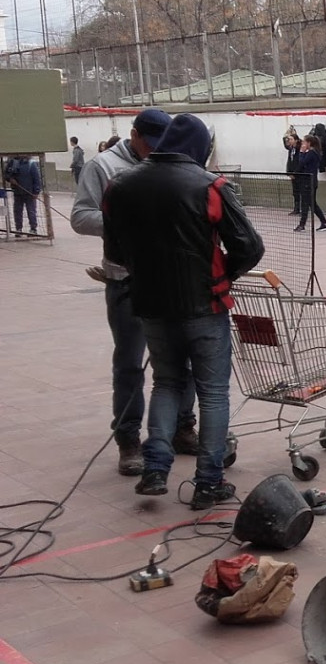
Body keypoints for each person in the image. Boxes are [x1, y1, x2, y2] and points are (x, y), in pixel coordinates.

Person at [103, 113, 265, 508]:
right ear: (201, 149)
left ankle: (156, 467)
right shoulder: (210, 186)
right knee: (212, 393)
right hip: (203, 305)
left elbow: (115, 252)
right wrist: (223, 273)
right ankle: (208, 481)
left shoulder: (120, 186)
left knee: (166, 382)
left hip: (151, 305)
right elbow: (249, 245)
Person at [71, 109, 202, 476]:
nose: (154, 151)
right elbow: (81, 217)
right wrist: (131, 220)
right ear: (134, 135)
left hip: (172, 279)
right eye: (149, 144)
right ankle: (128, 440)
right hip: (127, 280)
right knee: (130, 363)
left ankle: (182, 427)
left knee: (183, 360)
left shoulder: (172, 163)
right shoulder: (104, 167)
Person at [294, 135, 326, 233]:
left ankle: (302, 225)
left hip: (308, 182)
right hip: (309, 181)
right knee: (312, 203)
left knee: (305, 203)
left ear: (309, 143)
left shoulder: (311, 153)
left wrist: (301, 153)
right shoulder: (313, 153)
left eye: (304, 142)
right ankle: (324, 222)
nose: (302, 144)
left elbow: (302, 163)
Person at [3, 156, 41, 233]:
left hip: (29, 193)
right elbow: (6, 174)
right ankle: (18, 228)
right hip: (17, 192)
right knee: (17, 211)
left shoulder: (31, 164)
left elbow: (36, 179)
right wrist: (10, 179)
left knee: (31, 211)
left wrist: (36, 192)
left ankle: (33, 228)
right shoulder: (13, 162)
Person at [284, 133, 303, 216]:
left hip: (299, 173)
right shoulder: (291, 149)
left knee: (302, 191)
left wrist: (296, 172)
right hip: (292, 173)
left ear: (296, 140)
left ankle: (303, 209)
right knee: (295, 192)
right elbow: (289, 161)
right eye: (289, 139)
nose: (290, 141)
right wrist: (289, 172)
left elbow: (299, 162)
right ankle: (296, 208)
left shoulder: (300, 149)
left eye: (291, 139)